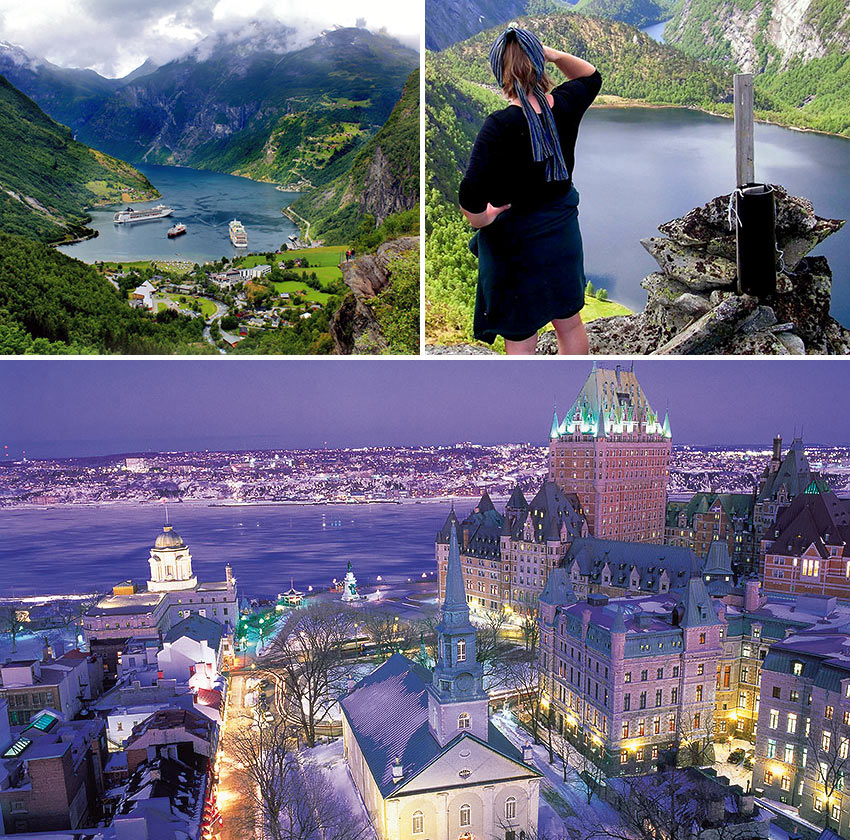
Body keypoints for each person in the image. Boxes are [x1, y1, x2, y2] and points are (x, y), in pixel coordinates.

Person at [458, 27, 601, 355]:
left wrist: (483, 220)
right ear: (540, 64)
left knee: (521, 335)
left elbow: (470, 196)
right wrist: (551, 55)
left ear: (499, 74)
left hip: (514, 246)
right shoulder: (565, 105)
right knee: (570, 323)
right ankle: (573, 394)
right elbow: (591, 76)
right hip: (561, 233)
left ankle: (526, 405)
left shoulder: (498, 127)